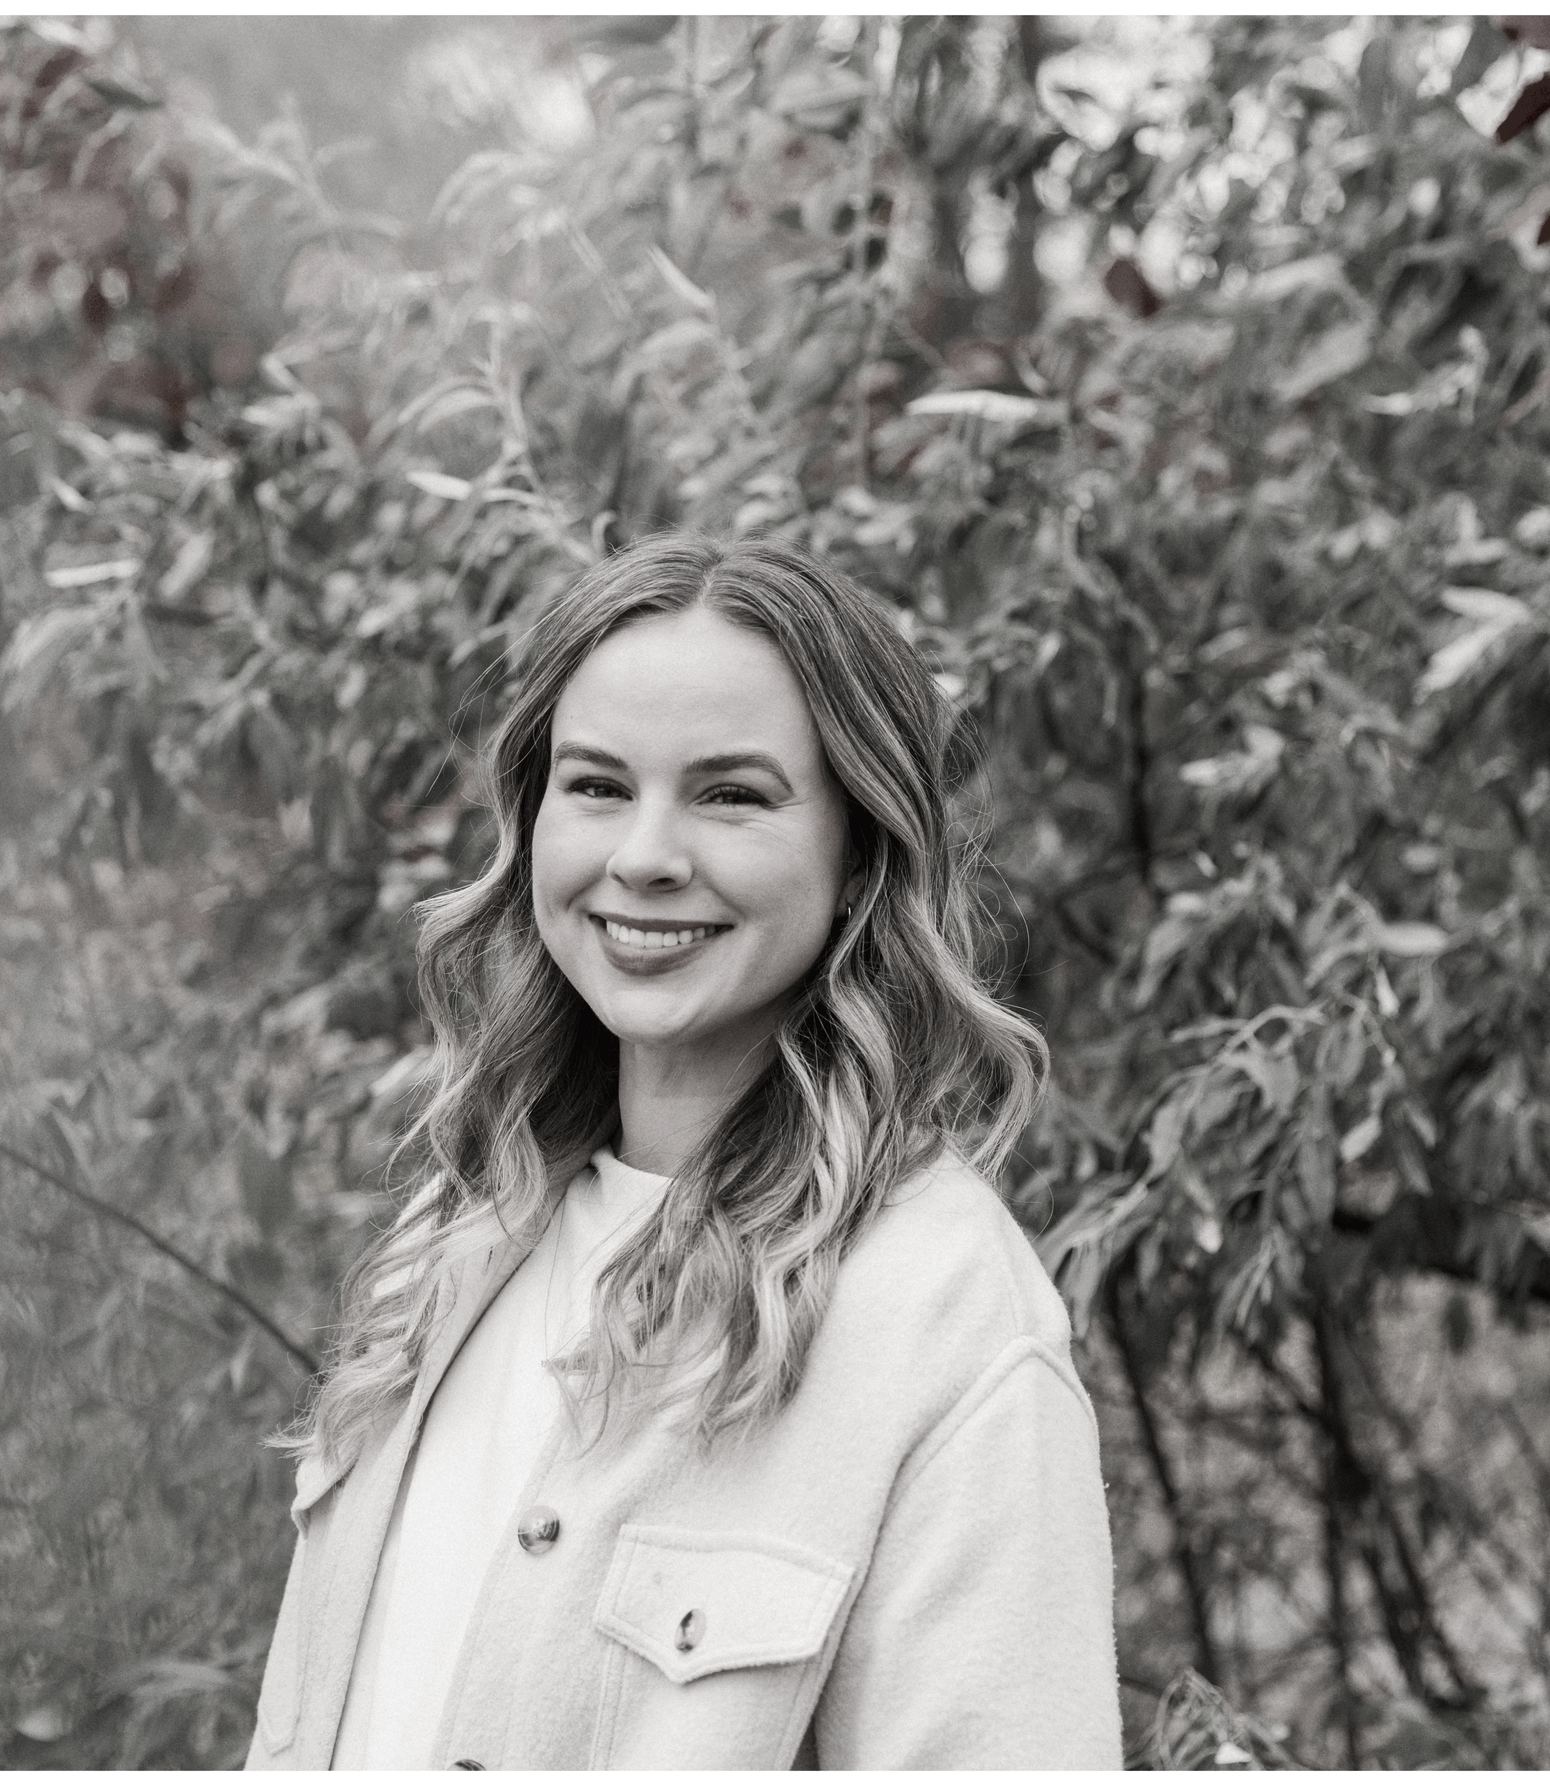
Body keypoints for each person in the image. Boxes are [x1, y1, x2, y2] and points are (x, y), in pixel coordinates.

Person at [247, 532, 1122, 1770]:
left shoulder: (949, 1328)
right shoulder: (452, 1239)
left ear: (858, 853)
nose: (645, 856)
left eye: (730, 794)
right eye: (597, 785)